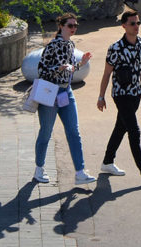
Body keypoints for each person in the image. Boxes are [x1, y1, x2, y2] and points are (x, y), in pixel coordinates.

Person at [97, 9, 141, 185]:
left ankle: (107, 162)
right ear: (124, 26)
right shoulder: (115, 48)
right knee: (134, 130)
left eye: (138, 23)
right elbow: (106, 74)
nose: (136, 26)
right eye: (132, 23)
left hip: (135, 94)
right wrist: (101, 96)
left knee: (121, 128)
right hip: (121, 94)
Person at [33, 13, 95, 184]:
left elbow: (70, 69)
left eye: (75, 26)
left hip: (66, 92)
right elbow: (41, 70)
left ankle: (80, 172)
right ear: (61, 26)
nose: (73, 28)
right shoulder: (52, 45)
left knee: (74, 132)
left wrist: (81, 64)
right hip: (50, 93)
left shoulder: (70, 44)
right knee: (46, 132)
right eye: (70, 25)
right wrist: (57, 68)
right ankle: (39, 169)